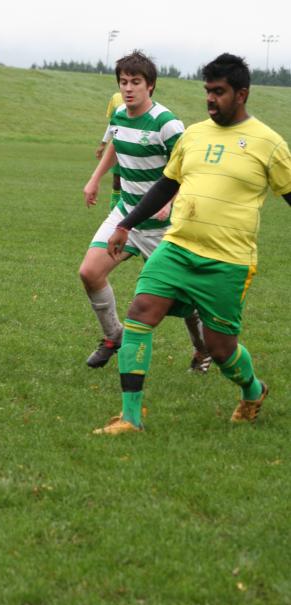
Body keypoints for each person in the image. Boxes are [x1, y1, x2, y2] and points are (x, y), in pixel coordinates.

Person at [93, 53, 291, 435]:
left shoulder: (269, 144)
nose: (210, 99)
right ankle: (130, 418)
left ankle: (252, 390)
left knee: (220, 350)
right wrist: (126, 224)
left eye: (219, 92)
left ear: (242, 94)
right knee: (140, 312)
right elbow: (168, 183)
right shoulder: (195, 135)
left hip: (227, 261)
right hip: (178, 246)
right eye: (207, 91)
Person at [80, 51, 211, 373]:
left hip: (163, 227)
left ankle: (203, 351)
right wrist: (95, 179)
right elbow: (115, 144)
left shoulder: (167, 124)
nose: (128, 88)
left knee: (184, 302)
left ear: (150, 86)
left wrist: (170, 199)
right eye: (123, 82)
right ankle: (114, 336)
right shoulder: (120, 116)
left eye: (135, 82)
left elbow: (188, 166)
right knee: (90, 272)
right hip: (126, 215)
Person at [94, 92, 123, 211]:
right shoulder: (116, 98)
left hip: (135, 148)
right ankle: (113, 212)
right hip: (117, 146)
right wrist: (103, 144)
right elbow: (112, 124)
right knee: (117, 181)